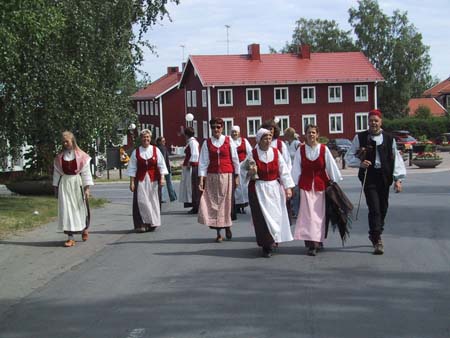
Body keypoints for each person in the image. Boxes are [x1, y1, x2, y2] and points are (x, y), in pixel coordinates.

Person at [344, 109, 406, 255]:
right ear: (368, 122)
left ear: (380, 122)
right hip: (369, 176)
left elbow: (396, 159)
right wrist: (360, 163)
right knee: (374, 207)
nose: (373, 123)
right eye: (371, 120)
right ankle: (377, 238)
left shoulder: (389, 138)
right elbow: (348, 156)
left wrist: (398, 179)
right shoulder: (360, 137)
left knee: (383, 207)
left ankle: (376, 231)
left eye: (376, 121)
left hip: (385, 176)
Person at [292, 124, 343, 256]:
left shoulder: (323, 149)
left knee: (319, 216)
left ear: (317, 134)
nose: (311, 135)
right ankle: (311, 244)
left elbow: (331, 166)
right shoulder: (301, 150)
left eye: (313, 132)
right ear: (305, 135)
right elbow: (296, 168)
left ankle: (317, 240)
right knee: (307, 215)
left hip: (321, 186)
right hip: (306, 186)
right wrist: (292, 185)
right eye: (309, 132)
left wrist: (335, 181)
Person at [247, 128, 295, 258]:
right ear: (259, 140)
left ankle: (274, 239)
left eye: (269, 138)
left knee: (275, 216)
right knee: (262, 218)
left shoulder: (276, 152)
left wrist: (288, 187)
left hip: (274, 188)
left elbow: (283, 170)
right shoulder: (252, 154)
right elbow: (244, 169)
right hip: (259, 189)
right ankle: (266, 245)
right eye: (265, 138)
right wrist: (250, 172)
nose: (268, 140)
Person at [198, 118, 240, 242]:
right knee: (213, 204)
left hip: (226, 175)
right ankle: (218, 232)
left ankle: (227, 225)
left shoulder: (228, 140)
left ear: (222, 128)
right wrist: (201, 179)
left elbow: (235, 159)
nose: (216, 129)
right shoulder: (207, 143)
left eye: (218, 127)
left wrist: (237, 176)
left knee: (226, 203)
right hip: (212, 176)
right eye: (214, 127)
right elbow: (203, 162)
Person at [53, 131, 93, 247]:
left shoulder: (81, 156)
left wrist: (87, 188)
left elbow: (86, 173)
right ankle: (70, 237)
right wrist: (55, 187)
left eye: (67, 141)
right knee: (67, 210)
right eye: (63, 142)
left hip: (77, 183)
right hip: (65, 184)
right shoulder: (60, 158)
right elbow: (56, 173)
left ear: (72, 141)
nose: (65, 144)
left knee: (79, 208)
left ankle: (84, 228)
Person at [127, 129, 168, 233]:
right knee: (141, 201)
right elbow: (132, 168)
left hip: (153, 179)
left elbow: (161, 165)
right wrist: (131, 182)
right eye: (144, 137)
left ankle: (152, 222)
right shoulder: (136, 152)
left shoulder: (155, 150)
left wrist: (162, 178)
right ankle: (142, 223)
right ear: (141, 139)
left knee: (153, 200)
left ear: (150, 139)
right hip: (141, 180)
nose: (146, 139)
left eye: (148, 137)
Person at [230, 125, 252, 214]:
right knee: (236, 186)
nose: (234, 133)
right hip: (234, 166)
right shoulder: (229, 142)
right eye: (233, 132)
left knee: (244, 186)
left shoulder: (244, 141)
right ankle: (236, 204)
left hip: (243, 166)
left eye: (236, 132)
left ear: (239, 133)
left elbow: (250, 152)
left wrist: (246, 162)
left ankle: (243, 204)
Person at [179, 127, 201, 214]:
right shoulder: (191, 142)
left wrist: (190, 163)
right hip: (189, 167)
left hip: (192, 168)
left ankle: (196, 205)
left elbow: (195, 153)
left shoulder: (193, 142)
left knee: (192, 186)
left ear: (186, 135)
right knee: (189, 186)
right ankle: (193, 204)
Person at [284, 127, 301, 219]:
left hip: (296, 170)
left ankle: (296, 210)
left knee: (296, 191)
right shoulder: (286, 144)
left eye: (285, 134)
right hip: (288, 170)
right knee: (289, 190)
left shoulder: (297, 144)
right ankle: (291, 209)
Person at [156, 136, 177, 203]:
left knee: (161, 183)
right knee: (168, 182)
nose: (164, 142)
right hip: (165, 167)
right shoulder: (163, 148)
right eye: (163, 141)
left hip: (162, 167)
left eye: (164, 141)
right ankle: (172, 196)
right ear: (159, 142)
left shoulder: (157, 149)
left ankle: (160, 197)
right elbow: (164, 159)